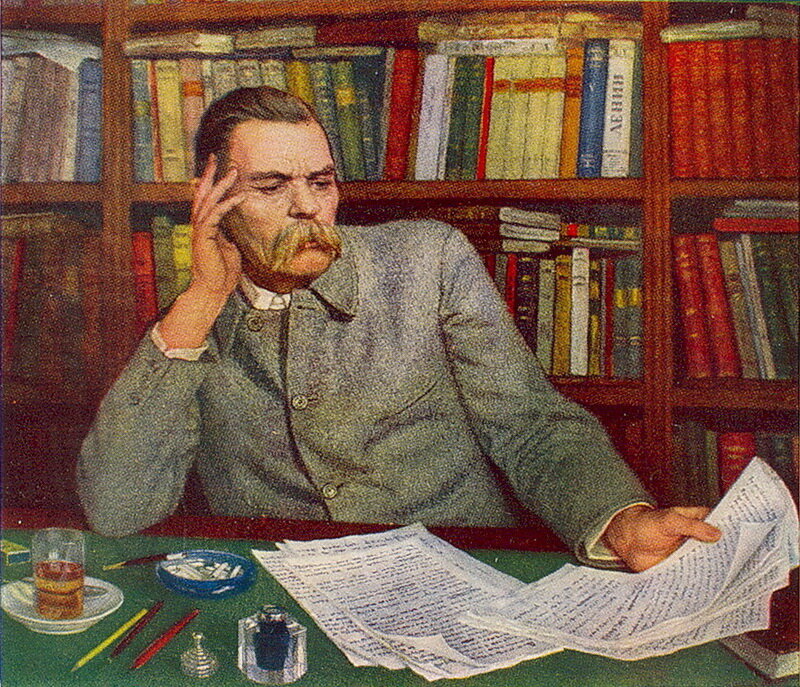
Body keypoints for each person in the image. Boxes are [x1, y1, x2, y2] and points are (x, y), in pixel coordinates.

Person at [77, 87, 720, 571]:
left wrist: (621, 520)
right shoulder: (188, 323)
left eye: (321, 182)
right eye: (272, 186)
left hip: (456, 570)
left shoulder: (427, 259)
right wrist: (204, 297)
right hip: (287, 590)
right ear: (211, 197)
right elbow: (117, 510)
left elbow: (529, 424)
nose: (308, 207)